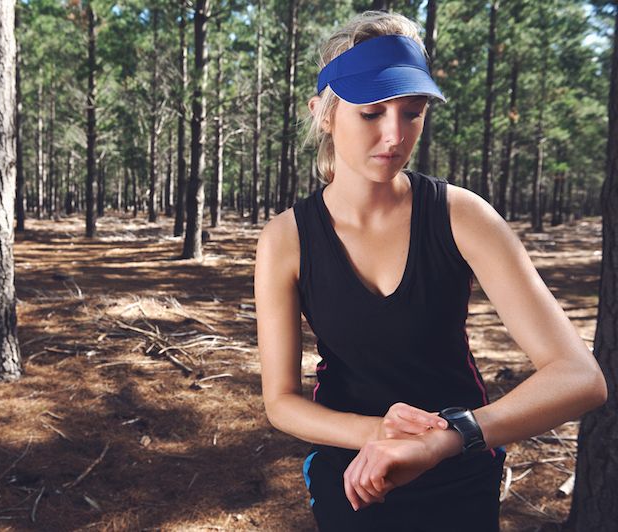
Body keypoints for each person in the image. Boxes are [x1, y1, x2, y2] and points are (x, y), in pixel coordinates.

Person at [254, 11, 607, 532]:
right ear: (324, 114)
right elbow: (281, 403)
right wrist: (379, 434)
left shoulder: (461, 215)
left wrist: (444, 439)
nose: (395, 135)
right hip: (350, 478)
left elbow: (581, 377)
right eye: (372, 112)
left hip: (460, 475)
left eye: (413, 112)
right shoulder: (286, 239)